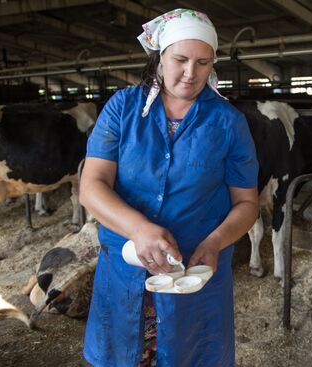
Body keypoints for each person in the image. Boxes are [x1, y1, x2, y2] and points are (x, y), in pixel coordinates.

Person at [80, 8, 259, 367]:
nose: (191, 73)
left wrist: (215, 242)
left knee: (191, 354)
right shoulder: (122, 108)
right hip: (126, 266)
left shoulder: (228, 122)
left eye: (203, 63)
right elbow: (92, 186)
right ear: (160, 56)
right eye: (180, 59)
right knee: (122, 354)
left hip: (194, 273)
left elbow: (247, 204)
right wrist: (139, 229)